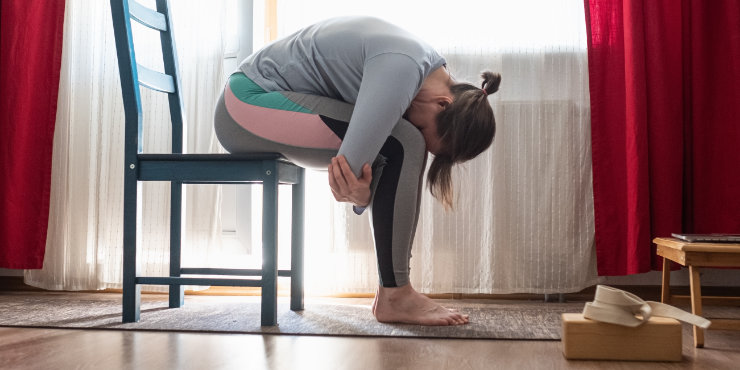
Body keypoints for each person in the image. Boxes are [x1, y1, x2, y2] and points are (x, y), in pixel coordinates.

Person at [214, 16, 500, 326]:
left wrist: (362, 191)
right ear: (443, 104)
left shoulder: (419, 64)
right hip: (244, 105)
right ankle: (396, 295)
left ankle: (393, 292)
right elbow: (346, 175)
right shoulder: (402, 68)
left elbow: (357, 171)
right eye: (424, 126)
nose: (414, 124)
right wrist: (361, 194)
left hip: (259, 101)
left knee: (402, 140)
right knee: (406, 142)